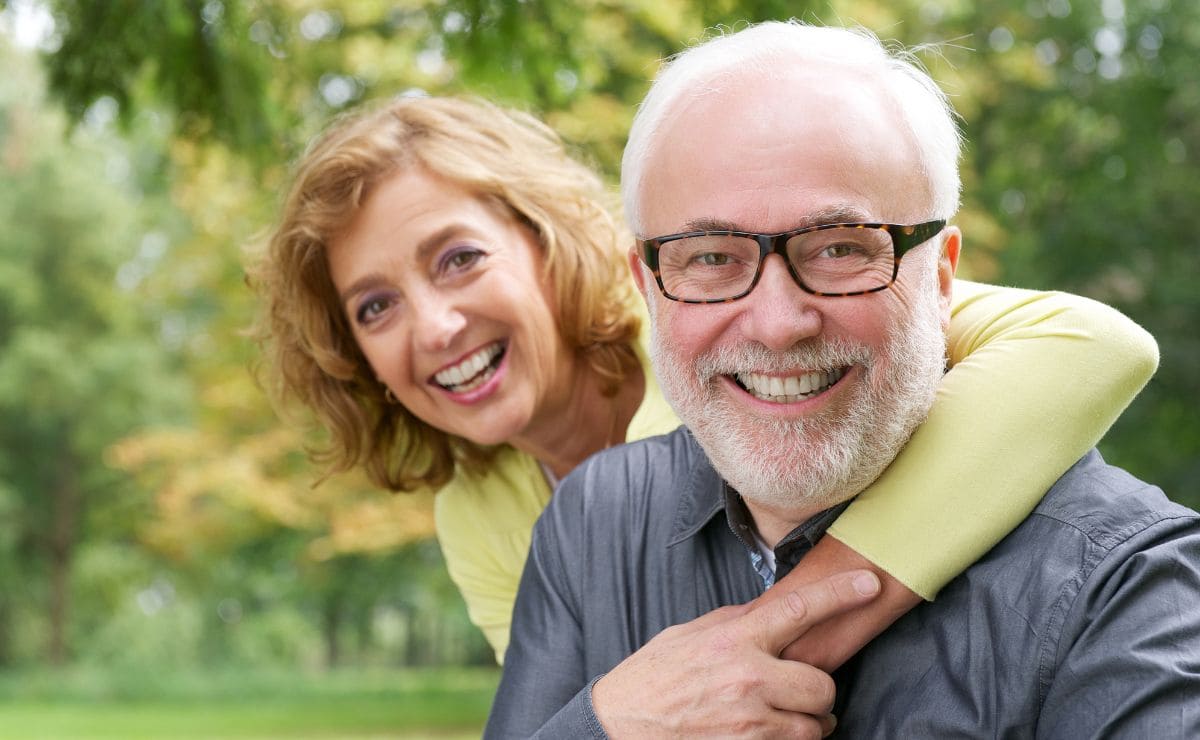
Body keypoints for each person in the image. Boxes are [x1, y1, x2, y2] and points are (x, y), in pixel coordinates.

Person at [251, 93, 1157, 669]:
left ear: (547, 241)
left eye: (458, 259)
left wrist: (814, 609)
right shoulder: (480, 515)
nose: (433, 327)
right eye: (374, 308)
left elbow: (1094, 342)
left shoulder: (724, 323)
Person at [486, 20, 1200, 738]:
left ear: (943, 275)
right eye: (710, 258)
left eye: (838, 248)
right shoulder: (594, 520)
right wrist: (605, 726)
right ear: (648, 284)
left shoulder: (1127, 589)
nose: (776, 323)